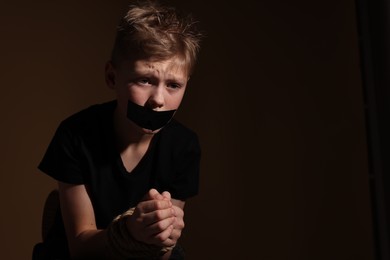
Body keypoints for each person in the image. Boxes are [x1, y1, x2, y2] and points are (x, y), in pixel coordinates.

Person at [37, 0, 202, 259]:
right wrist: (130, 231)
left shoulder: (184, 146)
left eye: (173, 85)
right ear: (112, 77)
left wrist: (164, 234)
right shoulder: (74, 135)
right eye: (145, 80)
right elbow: (80, 246)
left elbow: (164, 251)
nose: (158, 100)